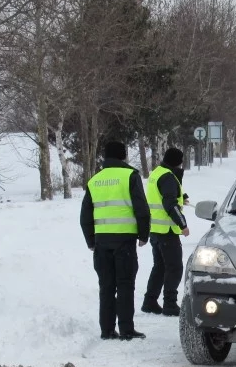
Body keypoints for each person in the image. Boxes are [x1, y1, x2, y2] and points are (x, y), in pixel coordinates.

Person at [80, 141, 150, 341]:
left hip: (102, 243)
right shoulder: (130, 176)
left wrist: (91, 240)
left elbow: (85, 215)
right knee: (125, 285)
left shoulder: (94, 180)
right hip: (124, 241)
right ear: (123, 156)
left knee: (107, 286)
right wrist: (144, 235)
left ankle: (107, 330)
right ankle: (127, 329)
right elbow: (141, 209)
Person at [141, 147, 190, 317]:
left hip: (155, 229)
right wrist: (182, 224)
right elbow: (169, 203)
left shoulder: (157, 173)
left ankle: (150, 301)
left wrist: (182, 195)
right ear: (177, 161)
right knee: (174, 267)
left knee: (160, 267)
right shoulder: (168, 177)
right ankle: (170, 304)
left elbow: (163, 194)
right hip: (167, 230)